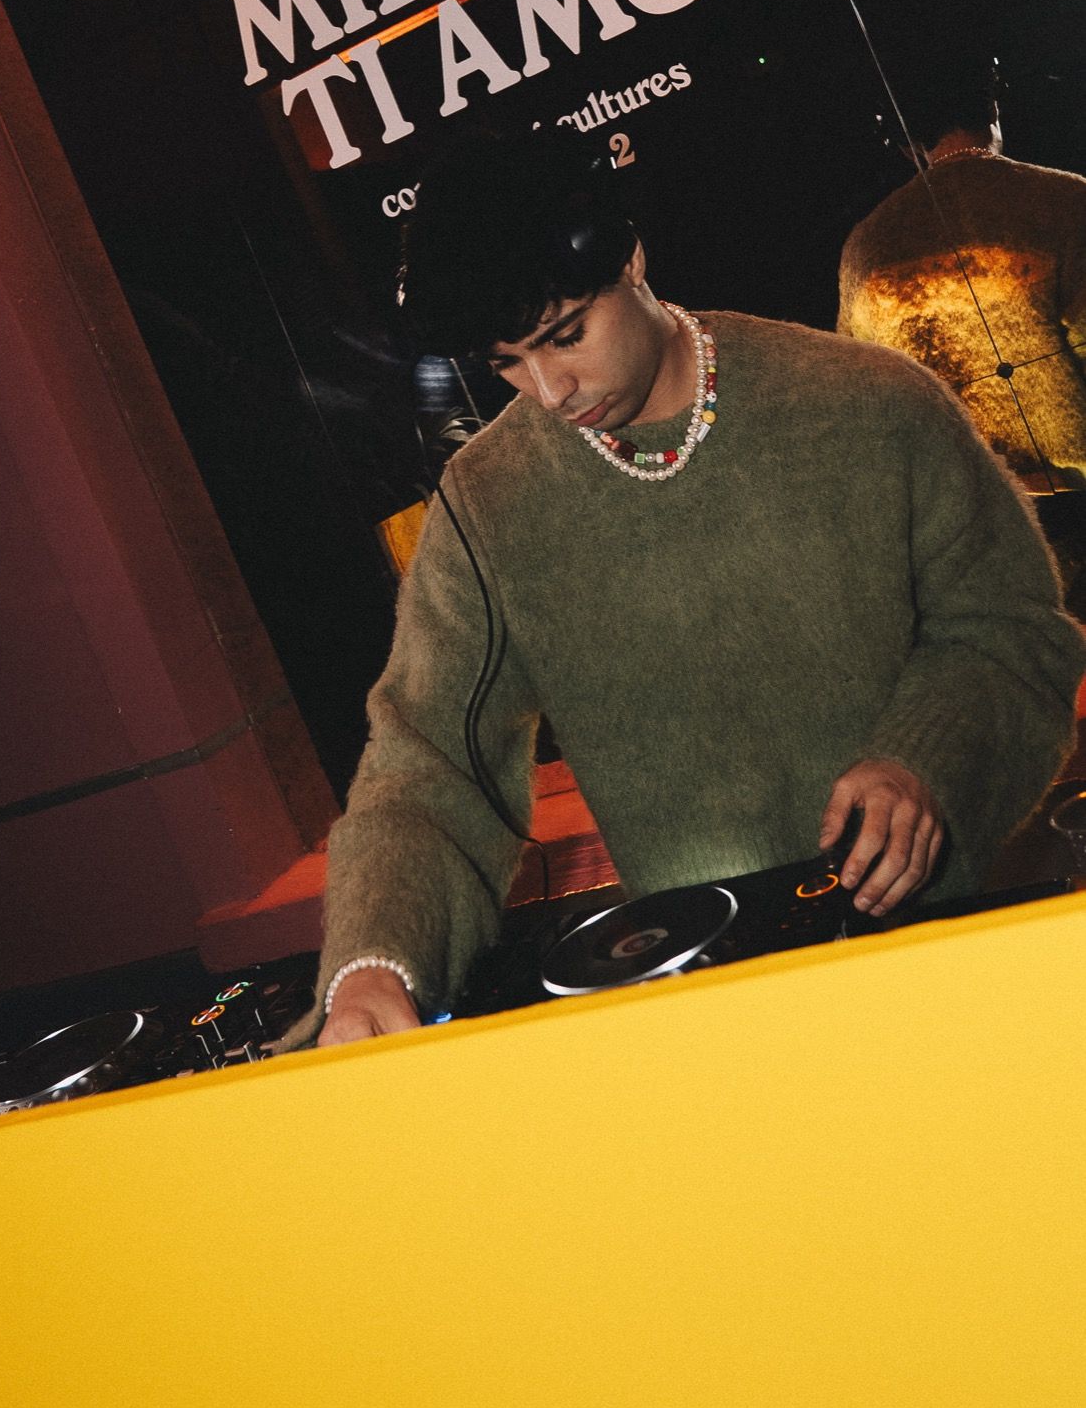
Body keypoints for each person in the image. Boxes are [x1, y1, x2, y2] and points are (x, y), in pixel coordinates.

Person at [310, 130, 1085, 1048]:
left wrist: (924, 758)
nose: (550, 389)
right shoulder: (485, 505)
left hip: (952, 963)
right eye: (506, 362)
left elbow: (1009, 630)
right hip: (712, 1016)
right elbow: (427, 763)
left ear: (630, 260)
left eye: (566, 335)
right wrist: (373, 963)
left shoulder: (867, 403)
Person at [839, 56, 1086, 612]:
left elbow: (870, 405)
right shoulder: (1066, 202)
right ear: (992, 109)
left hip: (966, 534)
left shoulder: (865, 247)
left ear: (906, 144)